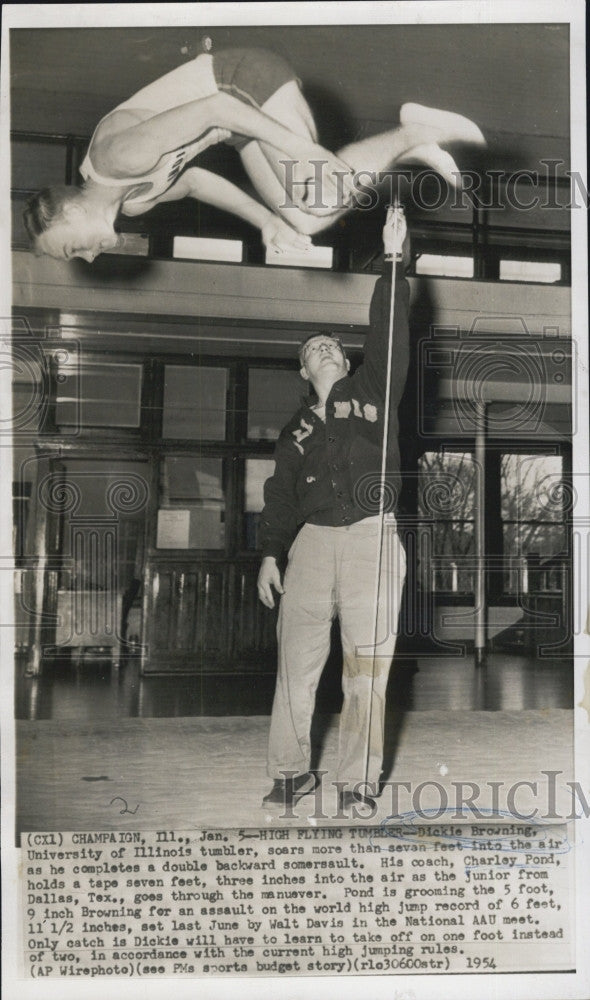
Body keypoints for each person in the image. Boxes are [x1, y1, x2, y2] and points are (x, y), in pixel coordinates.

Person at [23, 46, 485, 262]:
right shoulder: (136, 201)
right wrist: (266, 223)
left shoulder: (116, 157)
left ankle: (417, 129)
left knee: (317, 196)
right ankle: (413, 140)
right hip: (235, 125)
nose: (87, 258)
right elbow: (199, 183)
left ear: (67, 210)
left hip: (240, 83)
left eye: (71, 248)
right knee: (305, 220)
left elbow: (216, 106)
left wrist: (305, 151)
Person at [257, 207, 410, 815]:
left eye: (331, 345)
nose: (322, 348)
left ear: (345, 363)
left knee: (366, 667)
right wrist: (270, 553)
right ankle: (290, 774)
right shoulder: (293, 432)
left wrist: (393, 262)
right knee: (296, 663)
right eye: (311, 348)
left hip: (373, 538)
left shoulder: (374, 394)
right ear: (304, 370)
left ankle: (356, 783)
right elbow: (279, 497)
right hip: (312, 544)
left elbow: (391, 333)